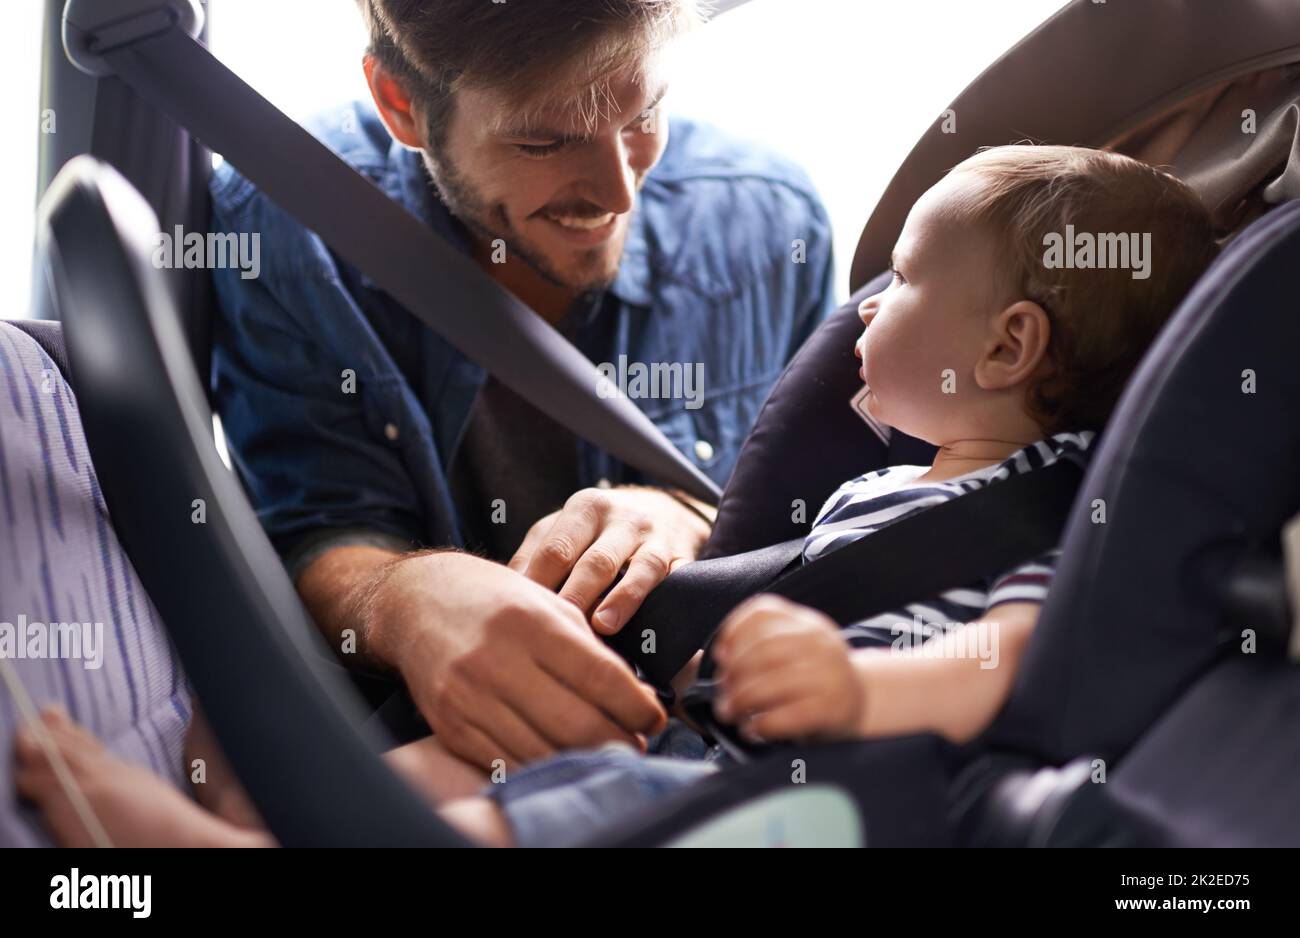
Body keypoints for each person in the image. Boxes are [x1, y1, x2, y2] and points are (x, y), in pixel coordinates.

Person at [17, 143, 1218, 847]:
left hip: (818, 790)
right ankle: (289, 807)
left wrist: (860, 684)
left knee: (580, 807)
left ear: (1005, 348)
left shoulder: (1054, 503)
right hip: (702, 731)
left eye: (901, 280)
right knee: (473, 759)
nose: (860, 306)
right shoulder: (885, 483)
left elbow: (1018, 650)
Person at [209, 0, 836, 770]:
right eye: (544, 140)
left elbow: (842, 508)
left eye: (643, 111)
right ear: (402, 105)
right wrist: (408, 599)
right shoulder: (287, 232)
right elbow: (315, 524)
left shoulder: (772, 223)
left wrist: (688, 516)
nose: (618, 188)